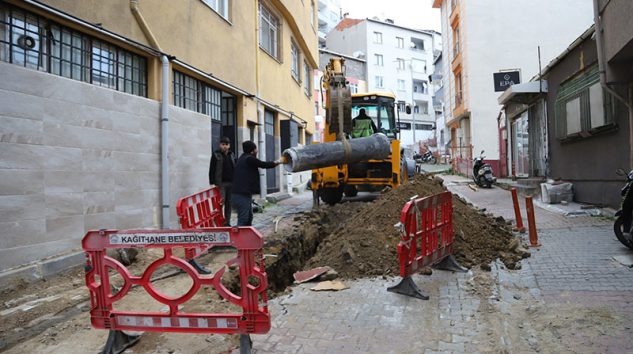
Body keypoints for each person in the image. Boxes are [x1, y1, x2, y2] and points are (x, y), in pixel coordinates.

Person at [232, 140, 284, 226]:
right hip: (240, 194)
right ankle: (238, 238)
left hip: (243, 193)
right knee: (244, 218)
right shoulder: (249, 159)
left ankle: (247, 237)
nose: (257, 151)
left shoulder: (243, 158)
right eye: (256, 149)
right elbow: (263, 164)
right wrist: (278, 161)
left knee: (249, 217)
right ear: (252, 150)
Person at [209, 137, 235, 226]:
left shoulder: (232, 154)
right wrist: (212, 183)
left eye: (226, 144)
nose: (224, 146)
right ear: (220, 145)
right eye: (223, 144)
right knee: (220, 203)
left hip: (231, 183)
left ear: (229, 145)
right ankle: (219, 221)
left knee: (229, 204)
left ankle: (227, 222)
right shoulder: (216, 154)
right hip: (221, 183)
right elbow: (212, 169)